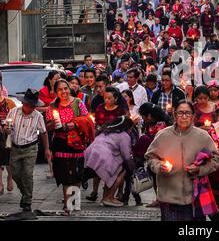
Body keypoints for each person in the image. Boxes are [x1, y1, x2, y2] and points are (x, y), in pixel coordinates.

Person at [145, 100, 219, 221]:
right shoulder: (163, 135)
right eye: (180, 113)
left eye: (188, 113)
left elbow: (216, 159)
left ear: (193, 116)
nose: (184, 116)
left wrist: (199, 170)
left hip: (195, 197)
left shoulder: (202, 136)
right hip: (169, 198)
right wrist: (159, 166)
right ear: (174, 115)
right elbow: (150, 157)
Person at [46, 79, 92, 214]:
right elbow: (47, 126)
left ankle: (75, 202)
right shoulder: (53, 106)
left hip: (77, 142)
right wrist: (53, 124)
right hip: (60, 143)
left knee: (76, 173)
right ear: (55, 91)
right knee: (64, 174)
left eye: (65, 88)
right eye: (60, 89)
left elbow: (87, 121)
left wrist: (75, 124)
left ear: (69, 88)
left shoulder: (78, 103)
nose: (64, 92)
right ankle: (67, 205)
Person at [4, 89, 50, 216]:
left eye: (32, 106)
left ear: (35, 106)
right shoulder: (14, 112)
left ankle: (27, 201)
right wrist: (7, 130)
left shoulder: (38, 116)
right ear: (23, 103)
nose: (28, 108)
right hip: (15, 147)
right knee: (15, 174)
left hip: (30, 148)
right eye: (27, 104)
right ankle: (25, 193)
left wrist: (46, 149)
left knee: (28, 174)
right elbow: (6, 127)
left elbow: (44, 133)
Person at [84, 116, 136, 207]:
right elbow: (126, 155)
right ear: (127, 127)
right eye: (130, 129)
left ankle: (105, 197)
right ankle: (109, 197)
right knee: (121, 171)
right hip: (103, 156)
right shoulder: (124, 135)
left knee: (114, 168)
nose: (130, 131)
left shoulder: (106, 130)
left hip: (89, 155)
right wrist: (132, 168)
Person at [0, 89, 16, 195]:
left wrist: (7, 127)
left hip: (8, 134)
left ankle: (10, 177)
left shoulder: (9, 102)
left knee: (9, 158)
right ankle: (0, 182)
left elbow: (15, 118)